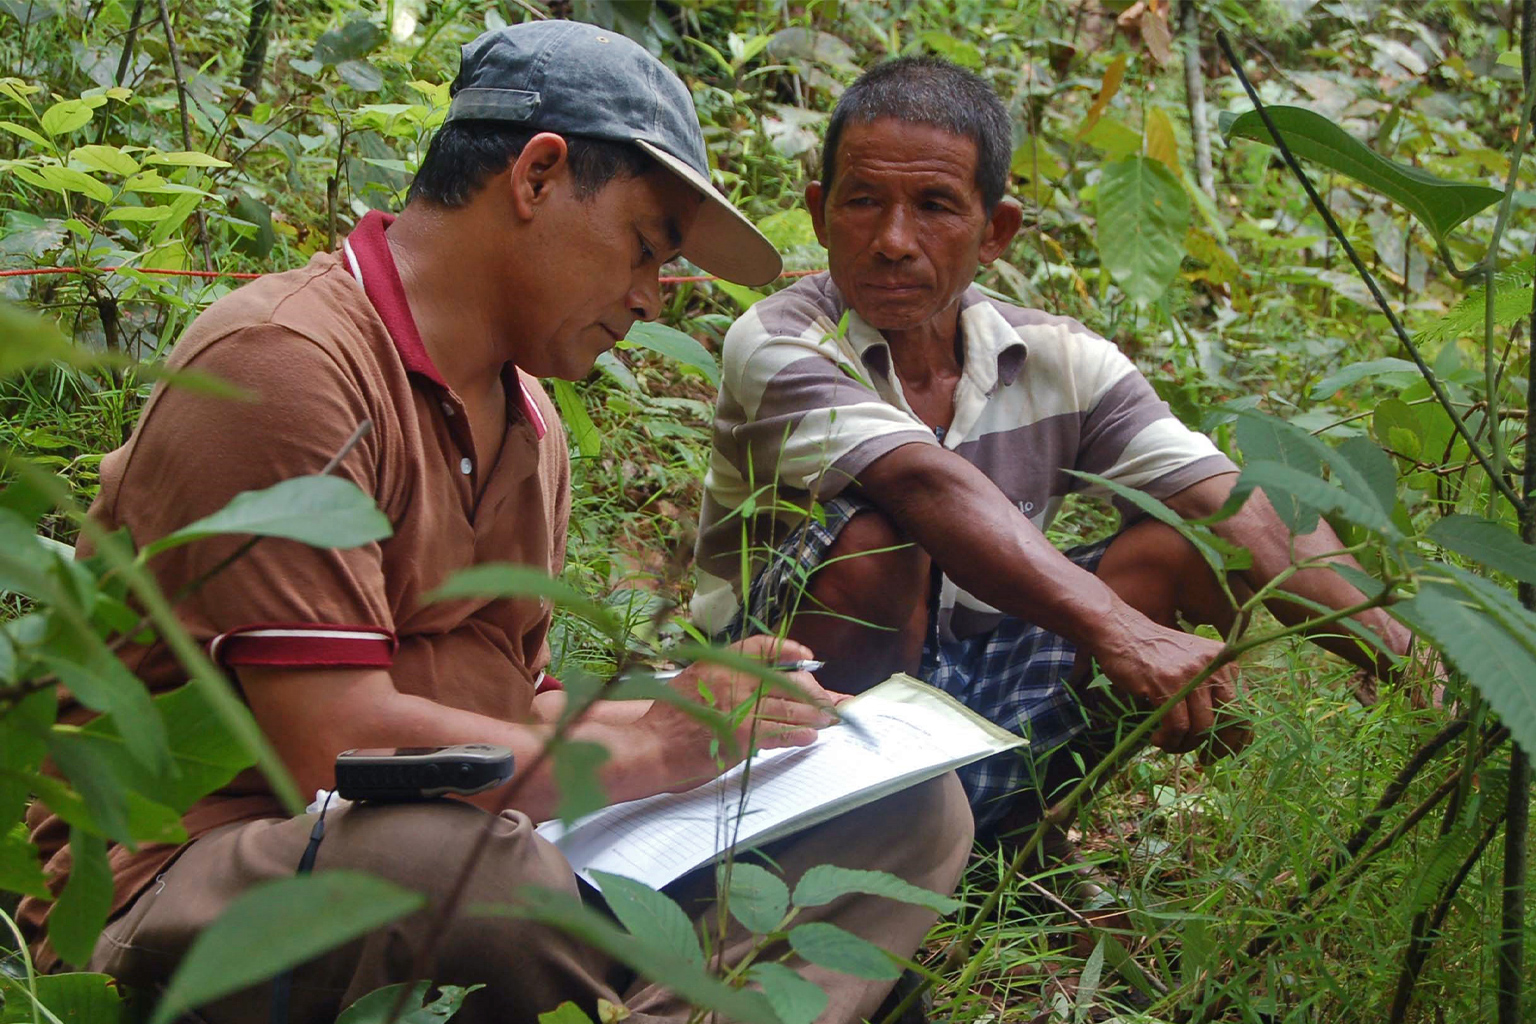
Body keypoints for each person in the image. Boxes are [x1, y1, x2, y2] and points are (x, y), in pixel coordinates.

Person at [20, 23, 973, 1024]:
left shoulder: (532, 424)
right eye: (644, 249)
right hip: (188, 878)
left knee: (908, 809)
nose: (649, 298)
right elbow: (334, 747)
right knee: (450, 863)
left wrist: (706, 722)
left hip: (482, 850)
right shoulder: (287, 360)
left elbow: (510, 709)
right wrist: (645, 751)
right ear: (538, 175)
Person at [692, 56, 1420, 840]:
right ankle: (816, 836)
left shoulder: (1059, 359)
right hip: (769, 688)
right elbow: (924, 486)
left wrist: (1418, 670)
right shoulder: (778, 339)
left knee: (1184, 548)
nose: (893, 240)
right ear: (821, 212)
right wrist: (1120, 631)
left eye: (935, 205)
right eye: (863, 202)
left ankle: (1012, 835)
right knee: (878, 539)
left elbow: (1228, 496)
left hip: (978, 670)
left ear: (996, 231)